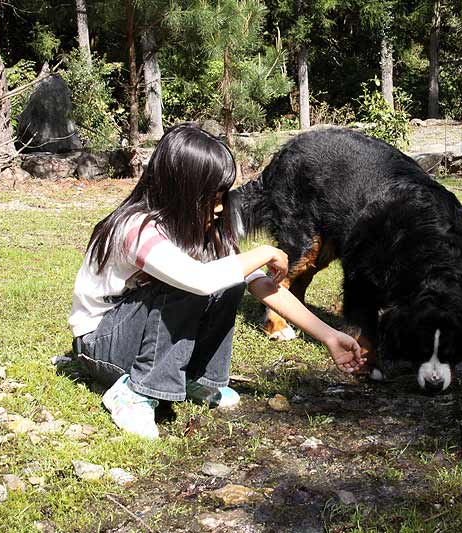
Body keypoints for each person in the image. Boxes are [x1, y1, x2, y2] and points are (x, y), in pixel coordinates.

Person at [69, 123, 364, 439]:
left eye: (223, 195)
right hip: (101, 343)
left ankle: (198, 378)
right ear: (178, 190)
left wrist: (329, 335)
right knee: (193, 282)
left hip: (134, 337)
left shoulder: (204, 228)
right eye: (212, 197)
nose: (222, 206)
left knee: (230, 276)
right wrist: (264, 251)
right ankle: (136, 392)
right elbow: (198, 281)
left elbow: (260, 284)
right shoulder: (136, 228)